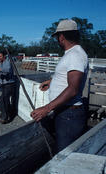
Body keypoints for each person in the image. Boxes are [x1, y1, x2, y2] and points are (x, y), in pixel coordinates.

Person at [30, 19, 89, 153]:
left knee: (65, 156)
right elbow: (68, 78)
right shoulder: (72, 54)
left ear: (61, 36)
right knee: (63, 150)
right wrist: (51, 82)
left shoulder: (75, 55)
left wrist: (46, 108)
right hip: (65, 112)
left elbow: (73, 89)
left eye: (57, 37)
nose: (58, 39)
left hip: (69, 114)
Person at [0, 51, 16, 124]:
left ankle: (5, 118)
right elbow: (2, 74)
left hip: (9, 85)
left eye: (0, 56)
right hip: (4, 84)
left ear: (4, 56)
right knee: (4, 101)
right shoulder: (2, 63)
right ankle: (7, 115)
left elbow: (7, 70)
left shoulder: (7, 62)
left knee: (4, 101)